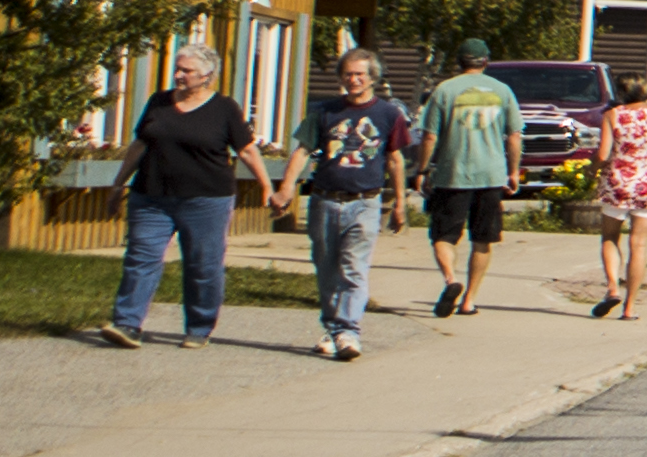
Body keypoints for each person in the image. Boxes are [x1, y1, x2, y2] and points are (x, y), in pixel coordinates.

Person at [101, 44, 277, 349]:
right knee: (140, 259)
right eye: (177, 69)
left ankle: (199, 326)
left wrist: (267, 186)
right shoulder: (159, 102)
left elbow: (247, 149)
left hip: (206, 201)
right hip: (151, 197)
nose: (178, 75)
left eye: (186, 71)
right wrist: (118, 184)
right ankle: (127, 324)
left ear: (206, 75)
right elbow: (140, 145)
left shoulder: (224, 108)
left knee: (203, 266)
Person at [292, 46, 418, 361]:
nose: (354, 79)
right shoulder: (325, 111)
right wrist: (284, 188)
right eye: (348, 74)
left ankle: (348, 331)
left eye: (360, 74)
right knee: (326, 268)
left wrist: (401, 203)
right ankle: (334, 330)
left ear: (372, 77)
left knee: (353, 268)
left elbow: (395, 160)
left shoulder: (389, 114)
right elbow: (302, 151)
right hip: (324, 200)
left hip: (365, 201)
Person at [420, 41, 522, 318]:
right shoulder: (503, 91)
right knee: (483, 239)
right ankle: (469, 300)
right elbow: (514, 135)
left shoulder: (444, 90)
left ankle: (451, 279)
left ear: (459, 62)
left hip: (452, 175)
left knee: (443, 236)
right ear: (485, 61)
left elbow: (429, 136)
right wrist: (512, 171)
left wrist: (421, 170)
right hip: (490, 175)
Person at [587, 67, 647, 320]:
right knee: (638, 244)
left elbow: (604, 155)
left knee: (609, 237)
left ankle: (613, 288)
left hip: (617, 183)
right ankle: (630, 307)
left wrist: (591, 170)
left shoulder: (613, 115)